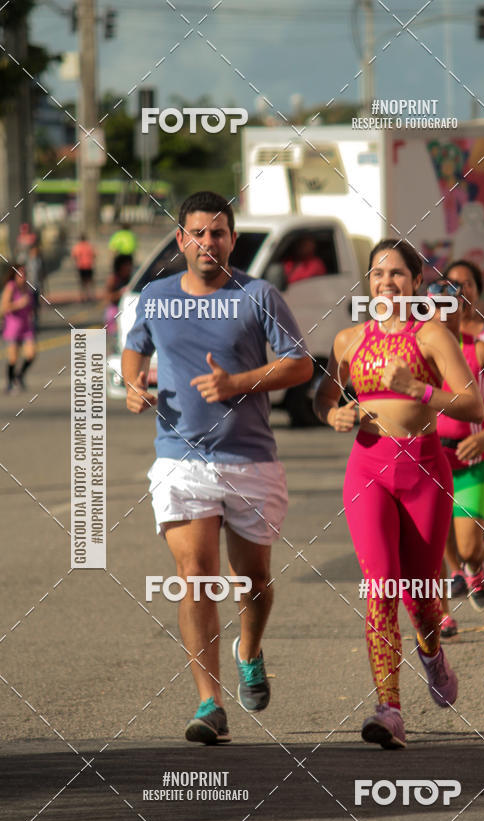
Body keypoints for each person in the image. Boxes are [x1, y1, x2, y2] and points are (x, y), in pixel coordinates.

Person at [122, 191, 313, 744]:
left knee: (253, 580)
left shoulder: (258, 296)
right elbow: (136, 348)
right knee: (196, 578)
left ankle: (249, 648)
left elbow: (299, 365)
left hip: (250, 459)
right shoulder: (156, 297)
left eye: (219, 233)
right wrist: (135, 384)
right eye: (198, 233)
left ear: (232, 239)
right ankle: (210, 703)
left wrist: (237, 383)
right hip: (180, 461)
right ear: (181, 240)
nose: (209, 242)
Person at [314, 239, 484, 749]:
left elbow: (473, 405)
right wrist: (333, 414)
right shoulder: (348, 340)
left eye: (397, 275)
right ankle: (389, 708)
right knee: (381, 586)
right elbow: (325, 394)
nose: (386, 283)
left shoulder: (431, 336)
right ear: (368, 282)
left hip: (424, 474)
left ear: (414, 283)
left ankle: (431, 653)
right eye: (378, 274)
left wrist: (418, 390)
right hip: (367, 470)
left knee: (420, 599)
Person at [427, 279, 484, 639]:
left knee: (469, 547)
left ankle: (474, 568)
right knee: (432, 543)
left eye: (449, 307)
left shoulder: (481, 351)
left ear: (463, 310)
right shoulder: (417, 351)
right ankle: (442, 614)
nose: (441, 315)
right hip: (429, 460)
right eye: (433, 308)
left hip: (472, 463)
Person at [444, 258, 484, 578]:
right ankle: (458, 573)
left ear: (478, 290)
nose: (460, 290)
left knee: (481, 520)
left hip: (480, 445)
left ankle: (482, 554)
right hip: (436, 451)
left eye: (467, 283)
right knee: (440, 525)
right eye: (452, 284)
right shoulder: (430, 337)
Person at [1, 263, 36, 392]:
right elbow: (3, 308)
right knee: (13, 357)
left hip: (26, 327)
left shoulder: (27, 288)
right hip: (13, 327)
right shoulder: (11, 287)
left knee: (31, 354)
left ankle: (19, 376)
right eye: (20, 274)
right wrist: (18, 304)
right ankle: (10, 383)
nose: (23, 276)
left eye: (24, 274)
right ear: (14, 275)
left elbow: (31, 306)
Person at [104, 254, 132, 349]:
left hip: (126, 311)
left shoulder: (130, 278)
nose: (129, 268)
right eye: (126, 265)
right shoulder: (113, 279)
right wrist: (121, 293)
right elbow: (108, 297)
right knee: (116, 342)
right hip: (114, 312)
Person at [71, 234, 96, 302]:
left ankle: (82, 296)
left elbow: (74, 256)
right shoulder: (89, 246)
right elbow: (94, 255)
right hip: (89, 265)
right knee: (89, 281)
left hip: (81, 266)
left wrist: (76, 263)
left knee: (82, 282)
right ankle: (90, 295)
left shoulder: (77, 246)